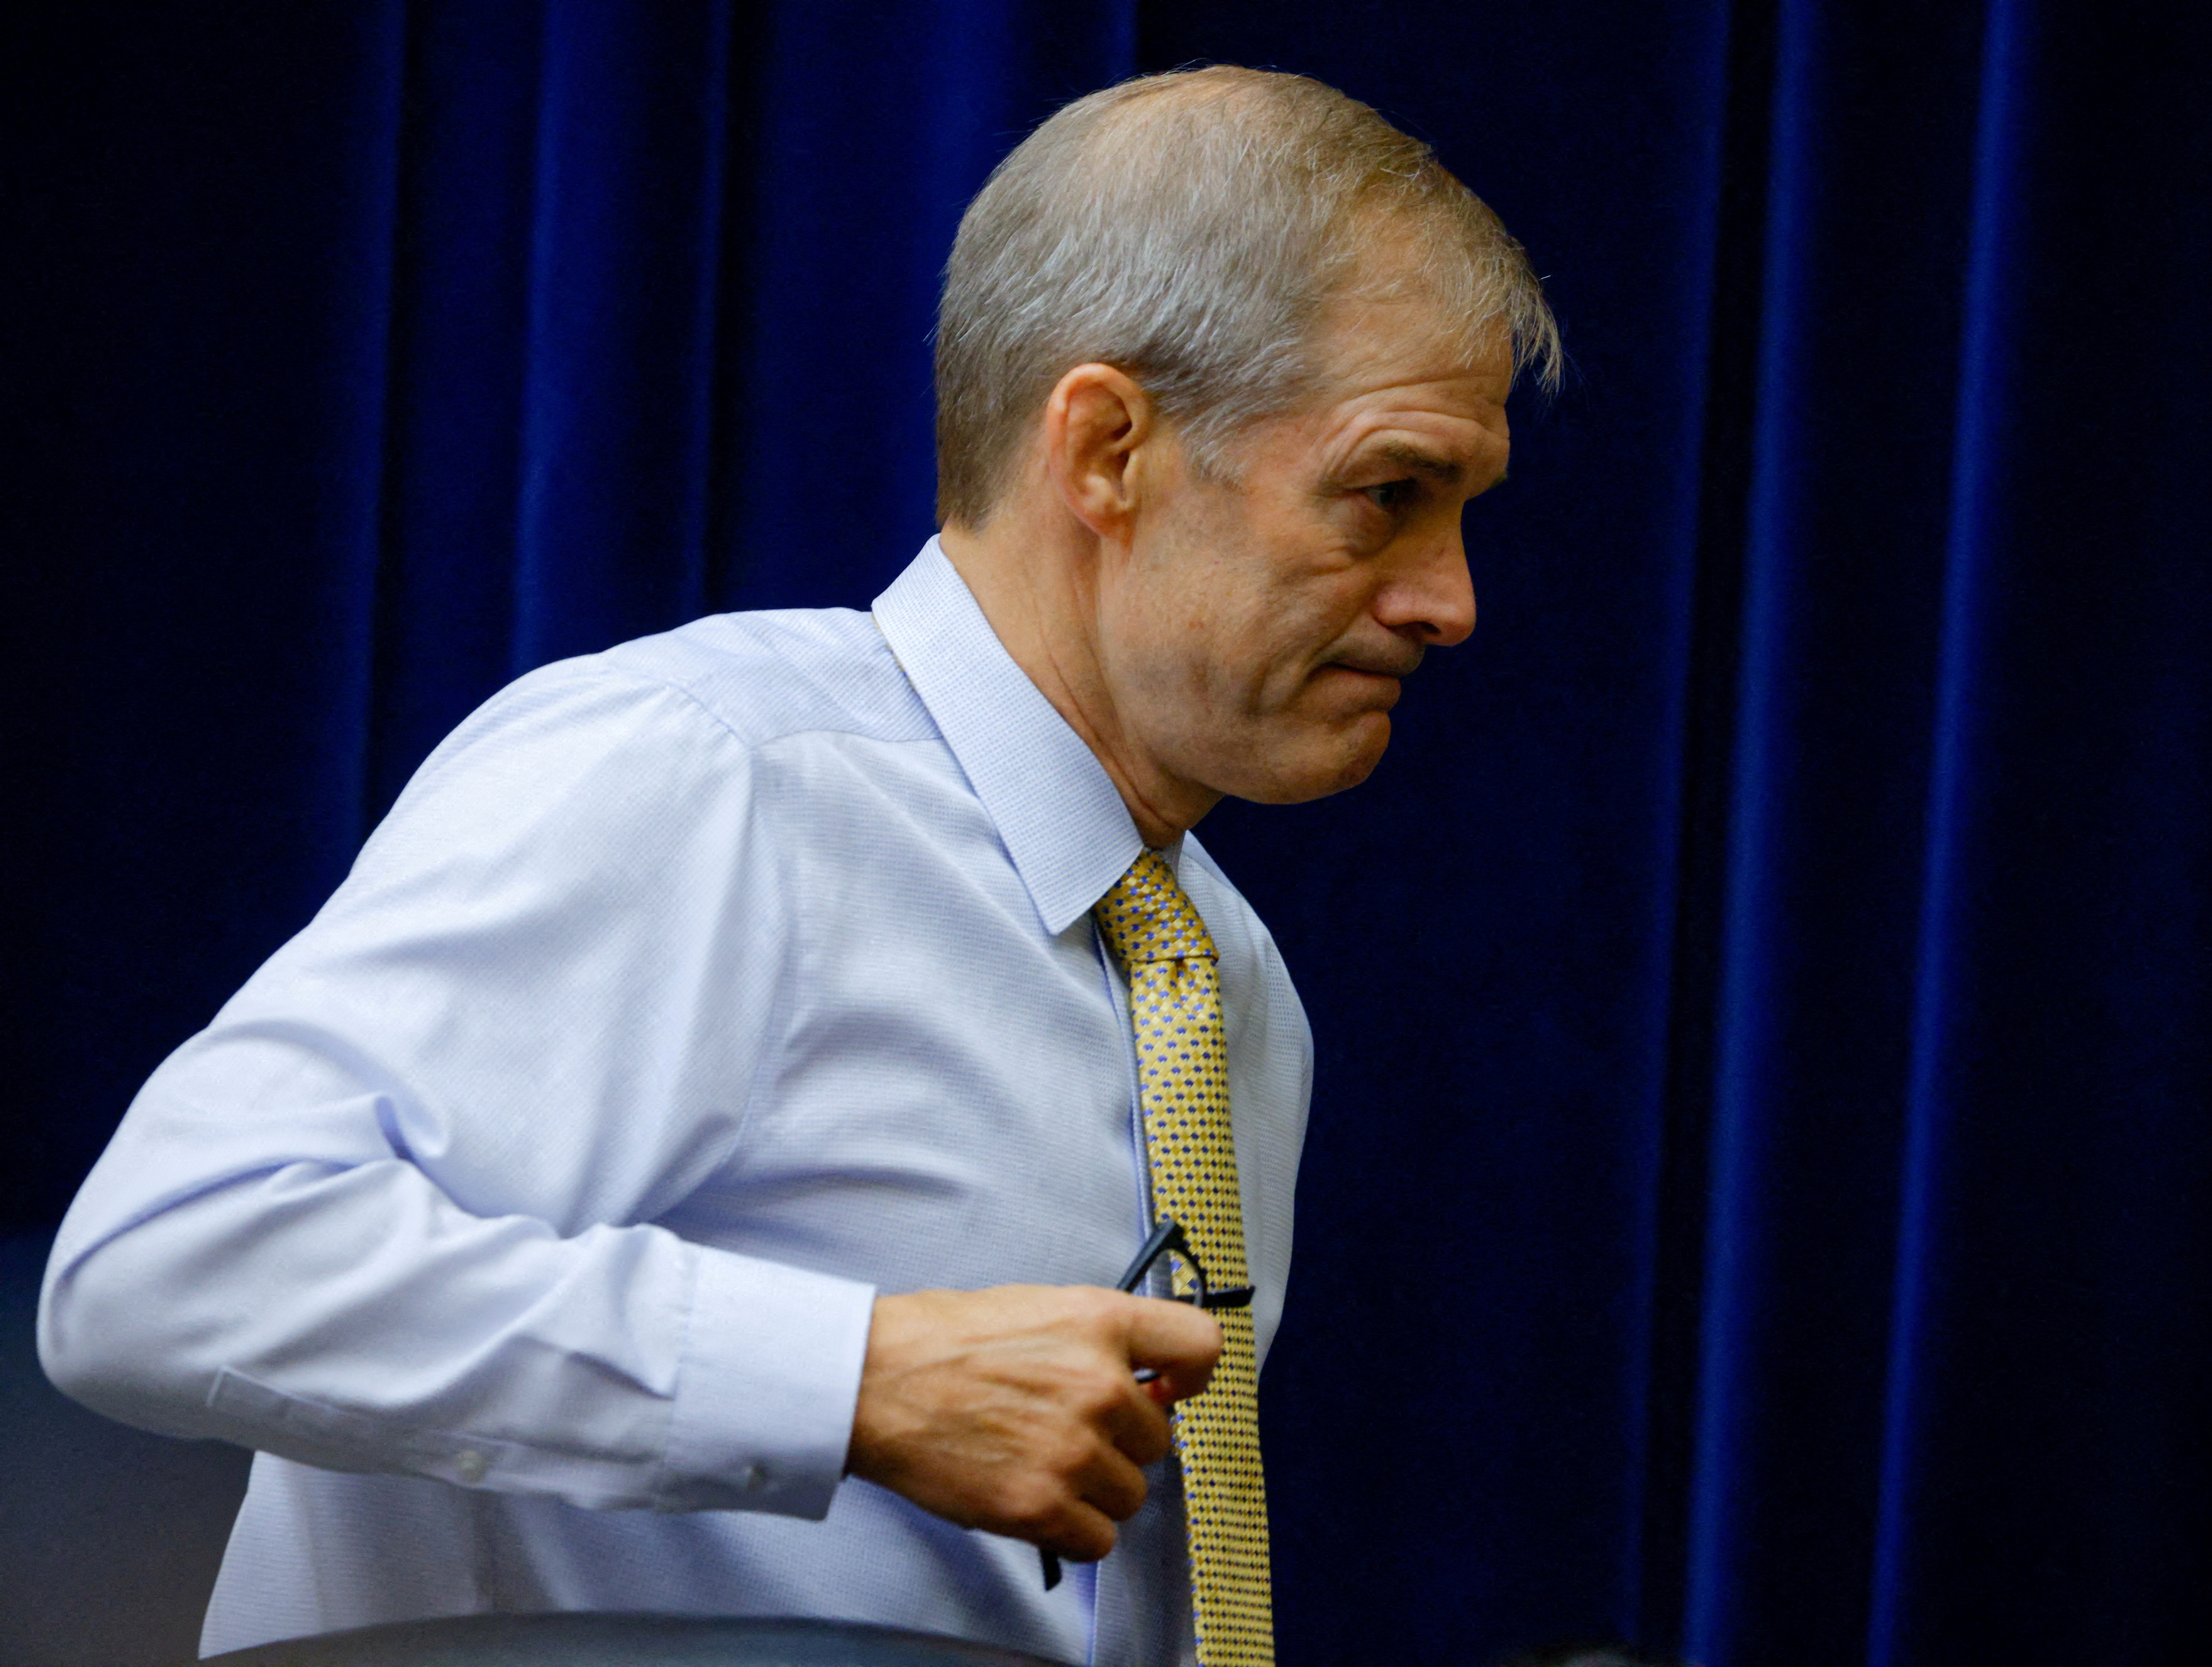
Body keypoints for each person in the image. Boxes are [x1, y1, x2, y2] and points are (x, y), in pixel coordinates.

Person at [39, 65, 1557, 1667]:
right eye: (1386, 498)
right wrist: (853, 1381)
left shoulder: (1228, 980)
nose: (1449, 602)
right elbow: (164, 1265)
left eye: (1460, 515)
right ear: (1108, 448)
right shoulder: (710, 777)